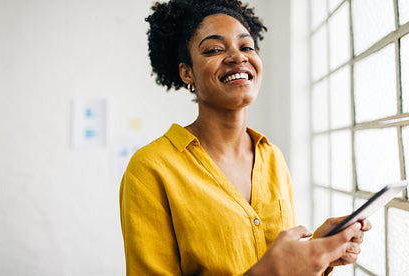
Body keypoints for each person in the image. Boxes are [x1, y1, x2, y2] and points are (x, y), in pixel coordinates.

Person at [119, 0, 371, 275]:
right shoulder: (151, 168)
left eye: (247, 46)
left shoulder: (272, 156)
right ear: (187, 72)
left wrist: (317, 251)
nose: (238, 57)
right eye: (214, 49)